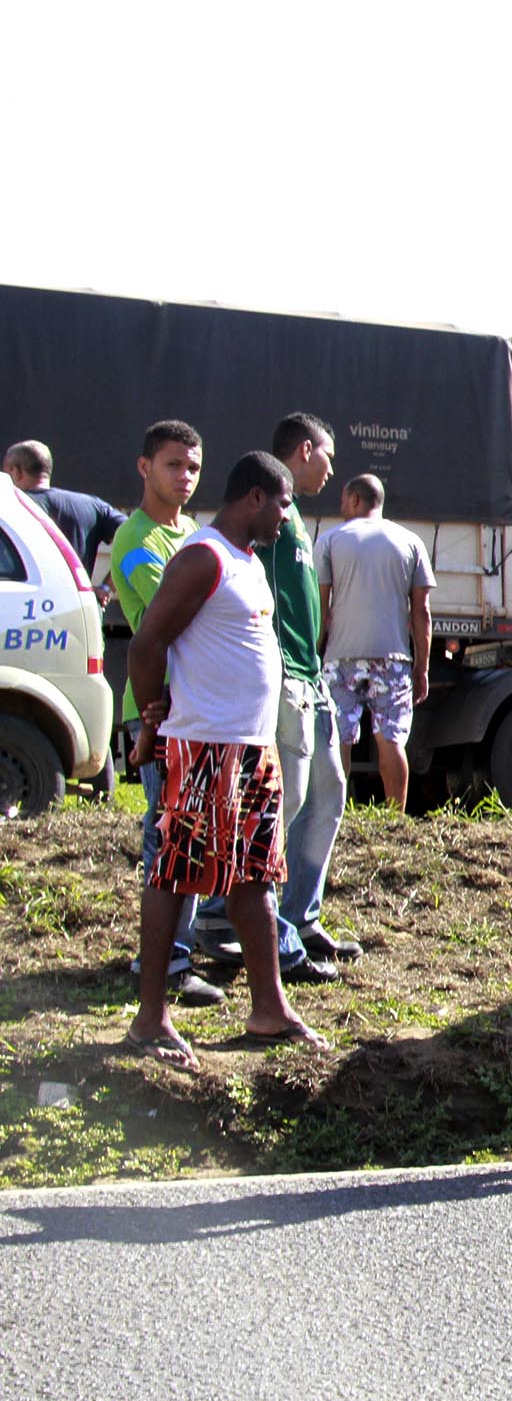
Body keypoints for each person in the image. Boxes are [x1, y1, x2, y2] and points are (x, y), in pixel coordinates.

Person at [122, 452, 330, 1069]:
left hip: (248, 749)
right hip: (202, 745)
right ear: (255, 498)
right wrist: (150, 719)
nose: (288, 516)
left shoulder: (247, 562)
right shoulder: (204, 557)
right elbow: (146, 643)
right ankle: (150, 1019)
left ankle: (269, 1009)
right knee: (174, 875)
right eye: (285, 502)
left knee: (255, 876)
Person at [194, 413, 353, 975]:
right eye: (327, 456)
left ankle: (299, 915)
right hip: (285, 677)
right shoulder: (266, 516)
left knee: (327, 793)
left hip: (312, 676)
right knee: (279, 807)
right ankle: (227, 914)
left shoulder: (292, 517)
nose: (332, 469)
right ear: (305, 449)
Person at [107, 420, 218, 1007]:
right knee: (169, 834)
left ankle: (179, 947)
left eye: (194, 467)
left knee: (192, 832)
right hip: (157, 707)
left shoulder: (192, 533)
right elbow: (179, 613)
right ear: (144, 467)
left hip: (196, 706)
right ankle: (166, 963)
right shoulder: (136, 540)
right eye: (174, 464)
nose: (185, 476)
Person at [315, 474, 434, 809]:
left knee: (338, 739)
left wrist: (316, 650)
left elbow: (321, 610)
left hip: (341, 657)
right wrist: (421, 668)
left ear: (354, 500)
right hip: (393, 658)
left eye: (342, 501)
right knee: (392, 740)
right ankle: (395, 817)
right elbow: (421, 612)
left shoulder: (330, 540)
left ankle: (334, 815)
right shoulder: (411, 542)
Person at [5, 438, 126, 587]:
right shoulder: (92, 506)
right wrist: (106, 587)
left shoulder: (9, 506)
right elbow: (137, 538)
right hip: (77, 605)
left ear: (16, 472)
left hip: (24, 605)